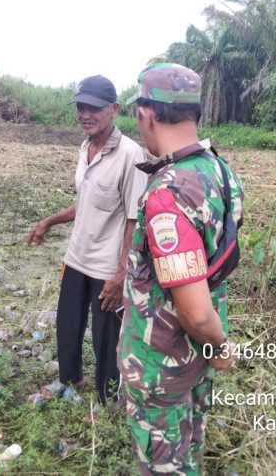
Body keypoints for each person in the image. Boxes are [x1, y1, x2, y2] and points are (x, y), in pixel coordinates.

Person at [118, 63, 244, 475]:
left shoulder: (168, 195)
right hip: (193, 359)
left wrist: (220, 347)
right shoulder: (219, 172)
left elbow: (193, 310)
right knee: (188, 448)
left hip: (162, 366)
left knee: (165, 465)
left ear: (146, 114)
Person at [27, 75, 147, 402]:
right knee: (67, 325)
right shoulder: (85, 147)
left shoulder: (130, 155)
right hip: (77, 257)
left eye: (93, 107)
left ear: (114, 109)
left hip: (106, 265)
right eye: (81, 107)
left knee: (105, 336)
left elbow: (135, 219)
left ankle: (107, 397)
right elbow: (85, 202)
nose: (85, 114)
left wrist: (121, 272)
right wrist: (50, 221)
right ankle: (69, 380)